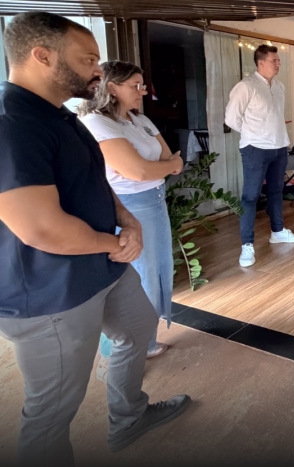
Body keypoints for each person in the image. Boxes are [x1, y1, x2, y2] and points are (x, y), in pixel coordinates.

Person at [0, 12, 190, 464]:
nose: (98, 72)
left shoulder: (62, 115)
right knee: (51, 411)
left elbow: (95, 179)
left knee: (138, 329)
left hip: (102, 268)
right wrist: (115, 243)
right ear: (42, 56)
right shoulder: (12, 123)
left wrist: (126, 218)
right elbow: (41, 228)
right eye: (88, 60)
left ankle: (129, 418)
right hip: (51, 291)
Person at [79, 61, 184, 372]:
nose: (143, 91)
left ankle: (144, 343)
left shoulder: (140, 119)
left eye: (142, 85)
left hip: (154, 200)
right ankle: (119, 353)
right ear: (112, 88)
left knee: (157, 271)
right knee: (135, 277)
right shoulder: (98, 123)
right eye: (135, 85)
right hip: (128, 205)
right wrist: (165, 167)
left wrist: (161, 167)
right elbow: (137, 171)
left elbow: (168, 157)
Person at [225, 44, 294, 269]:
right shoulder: (246, 86)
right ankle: (247, 245)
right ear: (260, 63)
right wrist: (253, 134)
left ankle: (277, 231)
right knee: (250, 196)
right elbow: (231, 118)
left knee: (276, 191)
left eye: (279, 60)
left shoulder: (279, 86)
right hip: (255, 149)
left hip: (279, 146)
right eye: (274, 61)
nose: (278, 64)